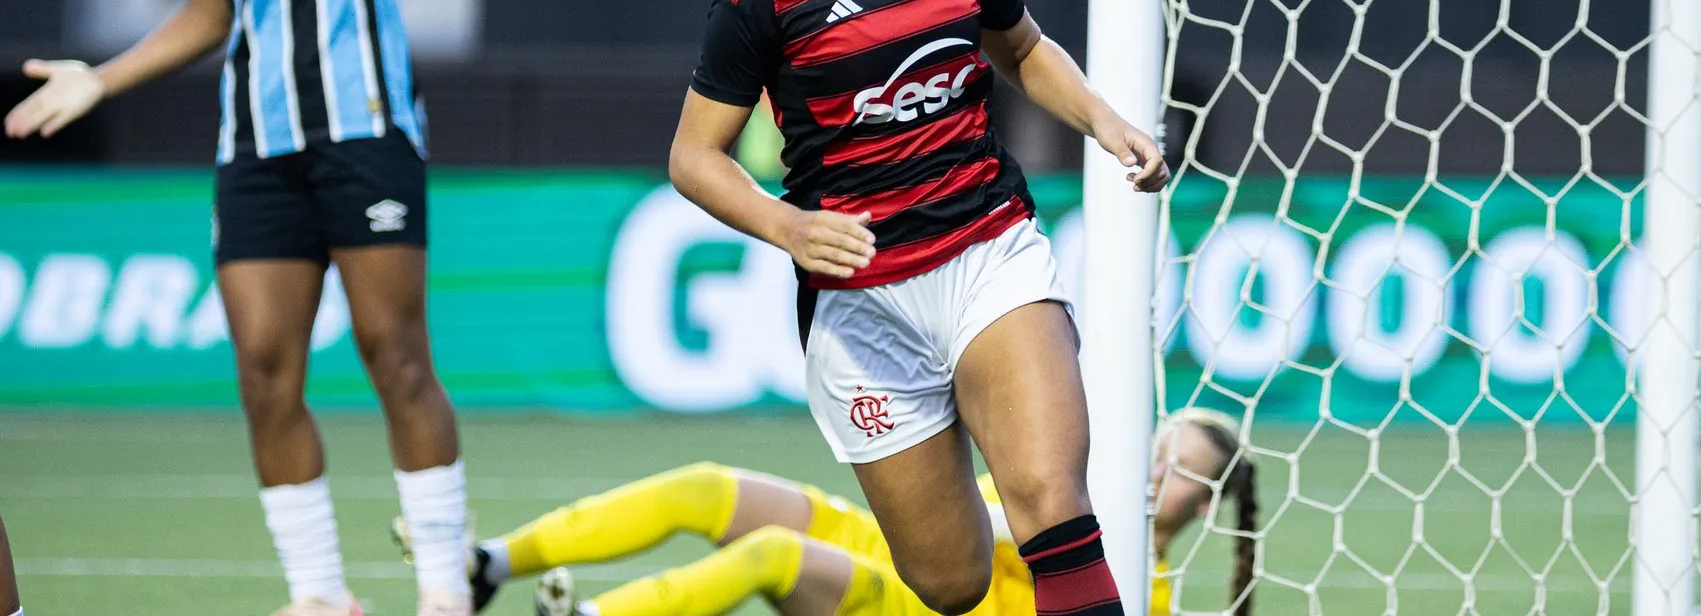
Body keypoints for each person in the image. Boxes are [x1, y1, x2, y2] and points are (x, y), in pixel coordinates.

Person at [3, 0, 472, 616]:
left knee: (397, 355)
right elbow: (208, 13)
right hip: (254, 150)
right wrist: (103, 77)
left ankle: (441, 585)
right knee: (263, 371)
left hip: (365, 135)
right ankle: (319, 595)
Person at [666, 0, 1169, 616]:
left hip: (988, 249)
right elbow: (693, 158)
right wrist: (790, 227)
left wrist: (1105, 121)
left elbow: (1023, 48)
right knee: (950, 581)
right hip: (864, 302)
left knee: (1053, 503)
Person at [397, 408, 1258, 616]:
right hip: (883, 545)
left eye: (1182, 470)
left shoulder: (1146, 588)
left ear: (1206, 505)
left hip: (914, 604)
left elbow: (992, 542)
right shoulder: (1066, 478)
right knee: (707, 485)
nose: (1157, 469)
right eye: (1161, 443)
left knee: (773, 552)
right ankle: (489, 567)